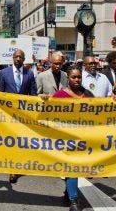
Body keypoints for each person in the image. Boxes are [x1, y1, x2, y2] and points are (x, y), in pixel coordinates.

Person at [42, 66, 93, 211]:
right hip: (65, 139)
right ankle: (74, 200)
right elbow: (48, 113)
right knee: (72, 166)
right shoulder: (60, 95)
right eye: (73, 77)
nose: (77, 80)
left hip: (84, 138)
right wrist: (45, 100)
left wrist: (113, 100)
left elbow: (101, 109)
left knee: (76, 167)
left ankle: (68, 191)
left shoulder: (87, 94)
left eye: (79, 77)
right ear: (68, 79)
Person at [0, 49, 37, 184]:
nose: (18, 59)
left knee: (21, 142)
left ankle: (20, 164)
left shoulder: (30, 74)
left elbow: (33, 94)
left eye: (21, 57)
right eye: (16, 57)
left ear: (24, 59)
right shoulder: (3, 73)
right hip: (8, 115)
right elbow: (0, 94)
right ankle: (12, 169)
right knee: (11, 142)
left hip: (24, 115)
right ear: (12, 58)